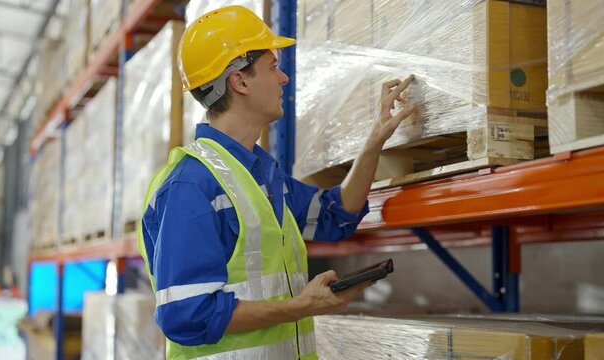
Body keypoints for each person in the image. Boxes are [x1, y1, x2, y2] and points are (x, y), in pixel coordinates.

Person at [139, 5, 415, 360]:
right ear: (240, 81)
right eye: (273, 67)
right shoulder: (190, 186)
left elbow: (334, 216)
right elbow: (188, 315)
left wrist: (375, 140)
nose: (284, 78)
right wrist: (301, 306)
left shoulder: (261, 176)